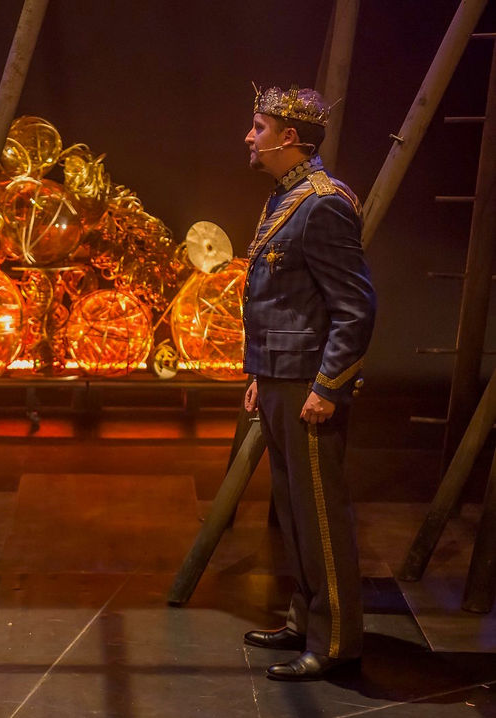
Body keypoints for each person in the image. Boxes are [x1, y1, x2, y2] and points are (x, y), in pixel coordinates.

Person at [240, 85, 376, 681]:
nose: (249, 137)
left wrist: (327, 385)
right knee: (294, 511)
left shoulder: (323, 204)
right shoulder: (286, 197)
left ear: (289, 138)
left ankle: (337, 641)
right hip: (281, 376)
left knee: (321, 516)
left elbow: (355, 308)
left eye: (259, 127)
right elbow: (283, 300)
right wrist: (260, 372)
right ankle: (304, 619)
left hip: (308, 385)